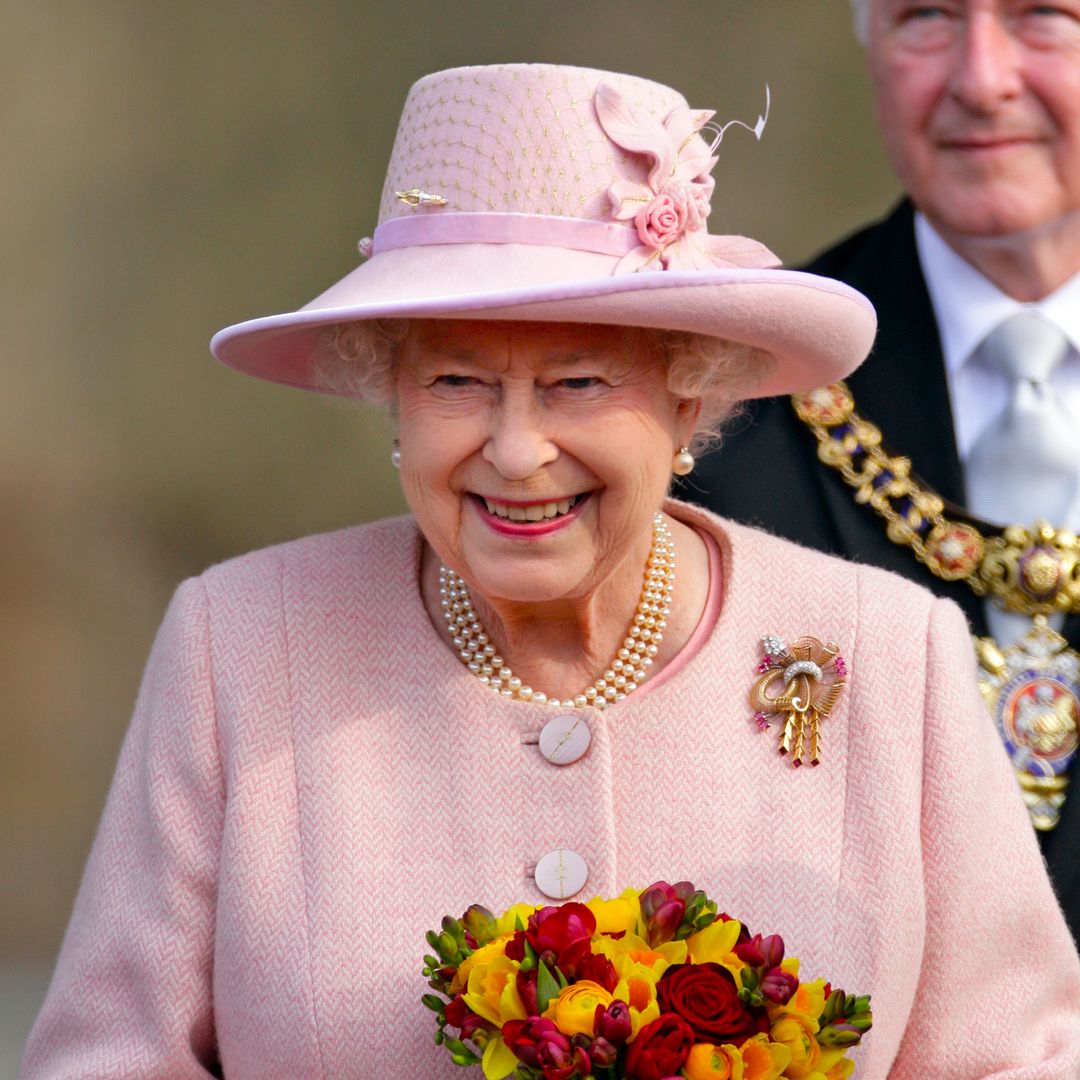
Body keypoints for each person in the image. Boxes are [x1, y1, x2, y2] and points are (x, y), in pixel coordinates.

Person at [22, 63, 1080, 1079]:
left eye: (578, 382)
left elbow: (1021, 1062)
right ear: (392, 398)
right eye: (455, 381)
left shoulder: (890, 652)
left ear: (687, 401)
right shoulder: (241, 645)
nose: (516, 449)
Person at [687, 0, 1080, 940]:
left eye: (1043, 16)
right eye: (927, 17)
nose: (982, 80)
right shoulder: (727, 417)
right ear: (871, 49)